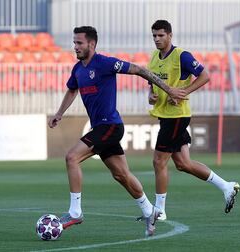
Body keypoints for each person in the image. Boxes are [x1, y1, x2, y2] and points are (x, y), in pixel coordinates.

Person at [48, 26, 187, 236]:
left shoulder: (105, 63)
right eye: (74, 42)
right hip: (101, 127)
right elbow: (72, 89)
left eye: (79, 43)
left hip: (110, 126)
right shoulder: (78, 70)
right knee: (121, 175)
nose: (75, 46)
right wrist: (59, 113)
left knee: (71, 158)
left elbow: (140, 70)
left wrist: (168, 89)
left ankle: (75, 212)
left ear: (91, 45)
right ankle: (150, 211)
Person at [146, 20, 240, 221]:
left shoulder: (182, 56)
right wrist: (150, 95)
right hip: (165, 115)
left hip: (177, 116)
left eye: (161, 35)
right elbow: (151, 83)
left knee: (158, 161)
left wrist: (184, 92)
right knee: (183, 164)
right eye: (154, 35)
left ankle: (159, 211)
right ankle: (227, 186)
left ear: (170, 35)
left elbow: (205, 76)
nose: (157, 39)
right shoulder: (154, 57)